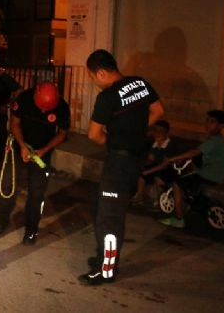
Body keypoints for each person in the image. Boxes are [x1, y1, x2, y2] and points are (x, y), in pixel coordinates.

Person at [80, 49, 164, 286]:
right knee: (107, 210)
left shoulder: (107, 98)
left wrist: (115, 139)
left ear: (101, 73)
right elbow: (159, 110)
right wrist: (135, 131)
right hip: (136, 159)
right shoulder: (140, 83)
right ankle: (104, 258)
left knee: (109, 218)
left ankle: (106, 270)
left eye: (92, 76)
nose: (93, 81)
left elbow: (94, 134)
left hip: (118, 162)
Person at [0, 81, 70, 245]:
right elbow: (14, 124)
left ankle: (31, 230)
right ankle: (0, 222)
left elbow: (62, 134)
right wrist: (22, 146)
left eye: (47, 109)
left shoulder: (62, 107)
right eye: (41, 107)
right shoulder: (24, 99)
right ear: (36, 94)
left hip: (42, 154)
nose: (43, 111)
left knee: (37, 193)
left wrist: (44, 150)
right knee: (7, 186)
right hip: (19, 148)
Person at [159, 109, 224, 229]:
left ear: (221, 126)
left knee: (177, 184)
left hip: (208, 175)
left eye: (212, 122)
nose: (207, 124)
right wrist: (183, 159)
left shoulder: (215, 141)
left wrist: (172, 159)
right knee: (189, 179)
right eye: (207, 120)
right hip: (212, 174)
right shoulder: (217, 141)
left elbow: (194, 152)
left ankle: (179, 218)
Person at [131, 120, 178, 206]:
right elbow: (151, 159)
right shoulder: (155, 144)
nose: (157, 133)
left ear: (166, 133)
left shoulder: (170, 145)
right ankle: (139, 196)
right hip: (156, 167)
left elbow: (165, 165)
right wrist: (142, 166)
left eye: (161, 131)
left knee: (158, 176)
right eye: (155, 131)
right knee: (142, 173)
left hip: (169, 169)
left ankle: (160, 200)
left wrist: (149, 171)